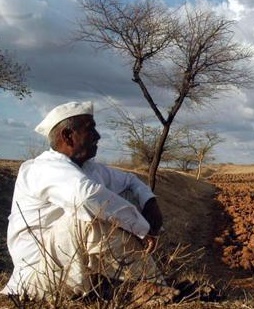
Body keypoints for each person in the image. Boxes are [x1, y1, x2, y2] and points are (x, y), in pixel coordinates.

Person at [1, 101, 177, 302]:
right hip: (40, 275)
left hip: (70, 266)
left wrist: (149, 202)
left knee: (125, 197)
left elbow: (130, 181)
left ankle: (148, 284)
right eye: (90, 129)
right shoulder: (43, 168)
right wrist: (143, 229)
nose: (98, 136)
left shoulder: (88, 168)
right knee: (88, 216)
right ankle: (147, 285)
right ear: (67, 136)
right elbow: (87, 198)